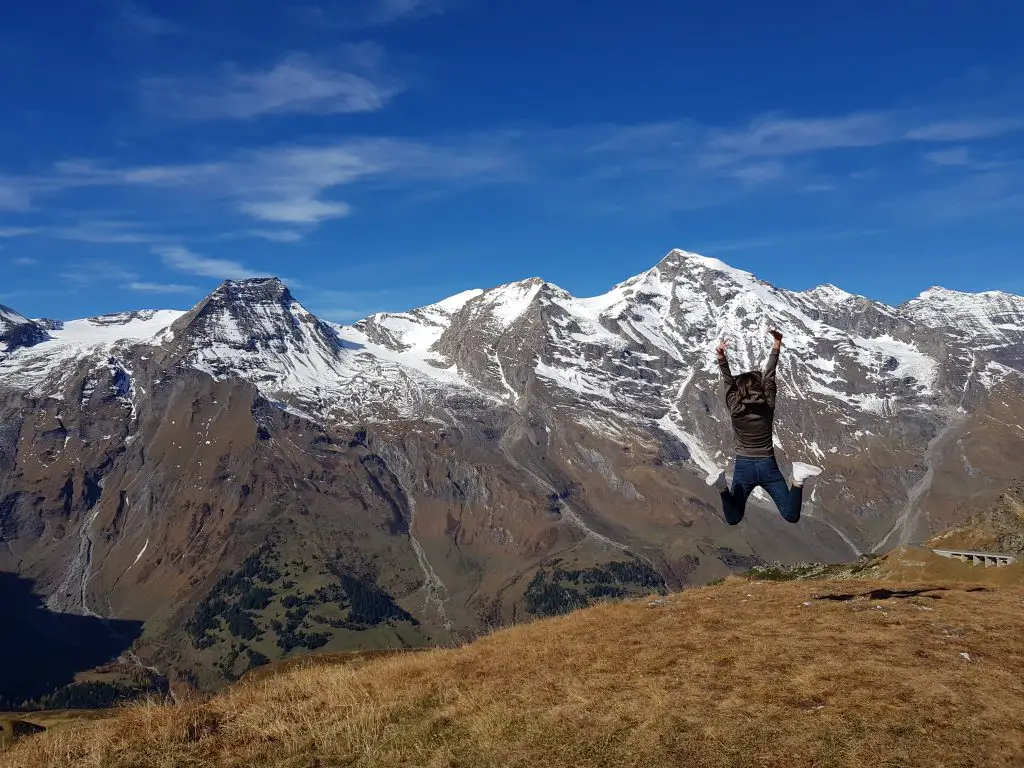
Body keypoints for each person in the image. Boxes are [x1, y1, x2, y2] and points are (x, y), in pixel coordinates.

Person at [706, 328, 823, 525]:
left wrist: (721, 357)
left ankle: (721, 486)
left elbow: (728, 382)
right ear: (760, 387)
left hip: (744, 467)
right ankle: (798, 479)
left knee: (733, 518)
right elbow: (769, 373)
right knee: (791, 515)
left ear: (739, 390)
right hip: (768, 465)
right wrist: (777, 344)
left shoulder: (735, 408)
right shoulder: (768, 404)